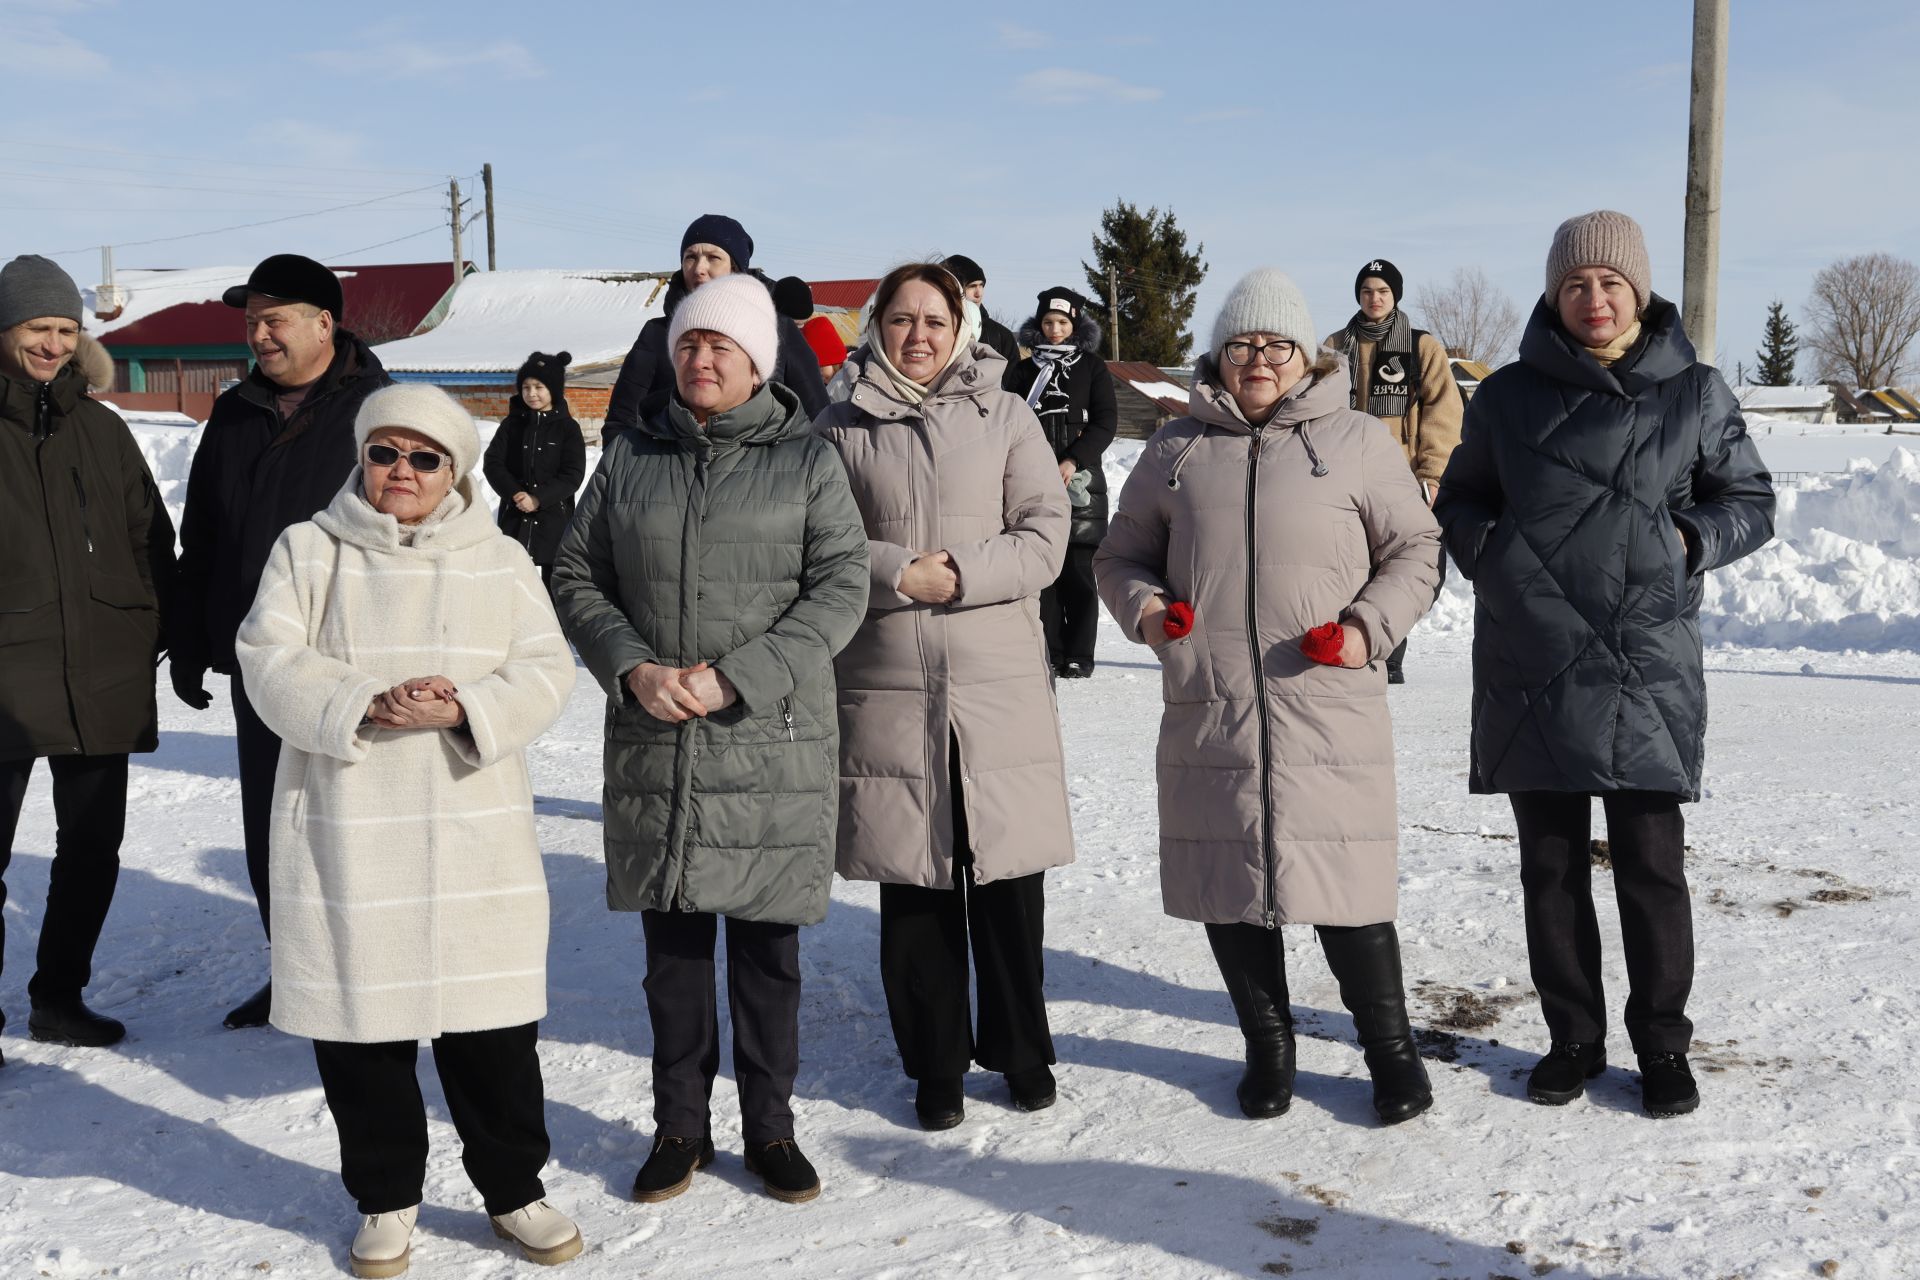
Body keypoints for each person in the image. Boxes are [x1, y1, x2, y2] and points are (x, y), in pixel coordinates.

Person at [1434, 210, 1774, 1119]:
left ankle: (1661, 1045)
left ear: (1640, 291)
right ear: (1553, 293)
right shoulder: (1505, 396)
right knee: (1548, 866)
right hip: (1531, 654)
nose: (1594, 298)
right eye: (1576, 283)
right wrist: (1494, 553)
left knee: (1652, 867)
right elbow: (1459, 498)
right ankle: (1572, 1037)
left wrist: (1685, 538)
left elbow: (1749, 498)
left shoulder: (1693, 392)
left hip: (1644, 659)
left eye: (1610, 283)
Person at [236, 383, 581, 1274]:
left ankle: (516, 1190)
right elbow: (268, 659)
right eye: (385, 452)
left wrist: (467, 705)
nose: (402, 471)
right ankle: (385, 1196)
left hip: (472, 820)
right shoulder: (309, 549)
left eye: (424, 457)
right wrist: (364, 701)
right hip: (353, 820)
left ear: (455, 471)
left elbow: (546, 668)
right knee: (363, 1027)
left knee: (492, 1030)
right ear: (362, 459)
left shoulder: (500, 559)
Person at [1094, 268, 1442, 1126]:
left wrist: (1367, 628)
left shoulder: (1358, 440)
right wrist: (1148, 614)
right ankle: (1268, 1046)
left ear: (1305, 357)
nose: (1259, 358)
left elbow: (1418, 552)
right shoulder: (1174, 449)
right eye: (1243, 343)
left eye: (1277, 344)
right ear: (1220, 353)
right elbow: (1118, 555)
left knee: (1346, 886)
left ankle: (1391, 1053)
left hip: (1325, 697)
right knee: (1231, 880)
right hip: (1212, 700)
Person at [551, 274, 868, 1206]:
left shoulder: (807, 461)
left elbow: (842, 586)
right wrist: (632, 667)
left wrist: (742, 674)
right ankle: (679, 1127)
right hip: (659, 736)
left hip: (765, 735)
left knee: (768, 958)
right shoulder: (630, 458)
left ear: (759, 361)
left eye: (721, 345)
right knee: (674, 957)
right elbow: (577, 571)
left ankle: (771, 1128)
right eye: (690, 343)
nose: (701, 358)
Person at [813, 262, 1074, 1131]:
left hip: (994, 682)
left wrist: (958, 574)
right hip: (886, 677)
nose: (917, 335)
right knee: (915, 882)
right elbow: (816, 545)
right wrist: (898, 574)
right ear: (875, 327)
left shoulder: (1005, 413)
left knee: (1005, 878)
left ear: (961, 327)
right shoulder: (839, 424)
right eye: (901, 320)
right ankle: (935, 1065)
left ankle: (1022, 1048)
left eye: (935, 319)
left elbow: (1045, 534)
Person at [170, 252, 392, 1031]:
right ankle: (295, 972)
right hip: (263, 660)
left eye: (274, 320)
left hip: (353, 661)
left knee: (355, 825)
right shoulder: (235, 413)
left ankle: (372, 974)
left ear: (324, 323)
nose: (259, 336)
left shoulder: (380, 411)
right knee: (274, 821)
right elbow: (205, 532)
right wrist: (191, 636)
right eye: (251, 323)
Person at [0, 255, 174, 1059]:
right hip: (7, 674)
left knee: (91, 850)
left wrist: (156, 633)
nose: (54, 344)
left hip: (101, 671)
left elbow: (151, 540)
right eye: (39, 327)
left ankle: (59, 999)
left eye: (67, 330)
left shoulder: (101, 429)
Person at [1324, 258, 1462, 684]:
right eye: (1367, 291)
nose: (1374, 298)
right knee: (1348, 566)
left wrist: (1433, 473)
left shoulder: (1421, 347)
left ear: (1395, 296)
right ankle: (1353, 647)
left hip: (1403, 477)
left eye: (1382, 291)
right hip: (1342, 474)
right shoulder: (1333, 346)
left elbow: (1444, 410)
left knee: (1405, 566)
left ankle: (1389, 653)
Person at [603, 215, 828, 434]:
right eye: (690, 257)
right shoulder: (656, 334)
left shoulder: (777, 330)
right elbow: (621, 422)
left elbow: (819, 419)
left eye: (713, 258)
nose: (699, 268)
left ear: (735, 268)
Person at [1007, 287, 1117, 678]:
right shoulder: (1022, 371)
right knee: (1044, 574)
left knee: (1079, 572)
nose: (1055, 329)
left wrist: (1074, 458)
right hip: (1033, 482)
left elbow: (1106, 422)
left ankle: (1080, 655)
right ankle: (1050, 650)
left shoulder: (1092, 367)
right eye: (1048, 322)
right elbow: (1009, 421)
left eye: (1063, 322)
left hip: (1081, 485)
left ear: (1075, 325)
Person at [481, 350, 587, 590]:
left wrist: (539, 498)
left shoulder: (567, 429)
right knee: (513, 584)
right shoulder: (511, 425)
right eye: (526, 387)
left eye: (539, 387)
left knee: (554, 589)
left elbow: (572, 474)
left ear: (553, 389)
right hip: (515, 519)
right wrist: (514, 494)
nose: (531, 394)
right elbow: (493, 462)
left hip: (554, 521)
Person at [940, 255, 1021, 372]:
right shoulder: (934, 331)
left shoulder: (1002, 336)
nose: (979, 293)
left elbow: (1013, 385)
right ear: (952, 289)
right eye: (971, 286)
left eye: (981, 285)